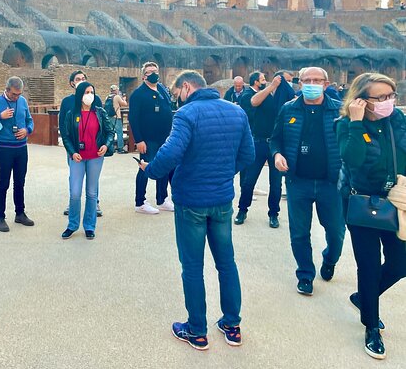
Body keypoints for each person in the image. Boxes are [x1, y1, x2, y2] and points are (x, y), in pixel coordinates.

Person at [139, 71, 254, 351]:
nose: (176, 96)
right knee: (227, 263)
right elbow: (248, 155)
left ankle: (197, 330)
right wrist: (223, 174)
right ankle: (231, 324)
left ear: (186, 87)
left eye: (177, 91)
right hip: (222, 199)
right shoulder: (237, 112)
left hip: (191, 200)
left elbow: (171, 153)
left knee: (192, 267)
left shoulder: (187, 114)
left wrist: (151, 170)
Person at [336, 72, 406, 360]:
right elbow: (352, 159)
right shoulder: (344, 124)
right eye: (381, 97)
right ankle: (371, 328)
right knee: (367, 263)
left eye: (391, 96)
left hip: (394, 200)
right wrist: (354, 123)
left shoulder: (397, 120)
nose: (388, 102)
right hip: (361, 202)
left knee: (401, 262)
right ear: (361, 100)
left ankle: (364, 298)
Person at [270, 67, 346, 296]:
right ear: (299, 84)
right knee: (299, 233)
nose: (311, 83)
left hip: (330, 183)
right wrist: (276, 155)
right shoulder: (289, 109)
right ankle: (305, 274)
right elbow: (276, 140)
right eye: (306, 80)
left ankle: (330, 259)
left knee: (336, 231)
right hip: (298, 182)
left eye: (316, 80)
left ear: (326, 83)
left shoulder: (339, 110)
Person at [60, 82, 114, 240]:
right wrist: (72, 151)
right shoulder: (72, 114)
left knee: (91, 193)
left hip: (96, 156)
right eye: (86, 92)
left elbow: (110, 132)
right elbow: (66, 136)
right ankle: (72, 225)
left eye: (92, 92)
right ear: (79, 95)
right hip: (77, 157)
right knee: (75, 192)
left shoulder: (100, 112)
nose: (90, 95)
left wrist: (106, 144)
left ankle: (90, 226)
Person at [0, 76, 35, 232]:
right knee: (3, 183)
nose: (16, 97)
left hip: (21, 148)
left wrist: (27, 130)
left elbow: (29, 120)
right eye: (13, 94)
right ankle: (0, 217)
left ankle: (20, 213)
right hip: (5, 148)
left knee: (20, 182)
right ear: (6, 90)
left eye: (19, 94)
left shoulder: (23, 101)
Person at [236, 71, 283, 228]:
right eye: (263, 79)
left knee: (275, 183)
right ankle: (242, 210)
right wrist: (272, 86)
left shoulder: (268, 95)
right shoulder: (248, 94)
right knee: (249, 180)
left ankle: (273, 214)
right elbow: (254, 102)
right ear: (256, 82)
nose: (265, 81)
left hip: (274, 143)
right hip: (258, 142)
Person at [128, 62, 175, 214]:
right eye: (149, 72)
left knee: (164, 166)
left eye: (155, 71)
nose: (154, 74)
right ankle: (140, 202)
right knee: (145, 168)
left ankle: (162, 199)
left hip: (165, 137)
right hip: (148, 138)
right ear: (143, 76)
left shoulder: (162, 89)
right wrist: (139, 140)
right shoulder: (138, 94)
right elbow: (133, 118)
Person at [59, 70, 104, 216]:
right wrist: (70, 148)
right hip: (74, 147)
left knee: (93, 177)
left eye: (83, 78)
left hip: (92, 146)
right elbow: (63, 125)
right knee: (74, 176)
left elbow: (102, 123)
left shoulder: (95, 99)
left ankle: (95, 202)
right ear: (72, 83)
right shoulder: (67, 102)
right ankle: (73, 203)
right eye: (78, 79)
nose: (81, 80)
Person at [105, 84, 128, 153]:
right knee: (119, 132)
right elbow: (124, 104)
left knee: (111, 132)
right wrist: (124, 99)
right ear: (116, 90)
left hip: (109, 117)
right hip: (116, 117)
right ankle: (120, 148)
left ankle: (111, 147)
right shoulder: (117, 97)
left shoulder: (107, 97)